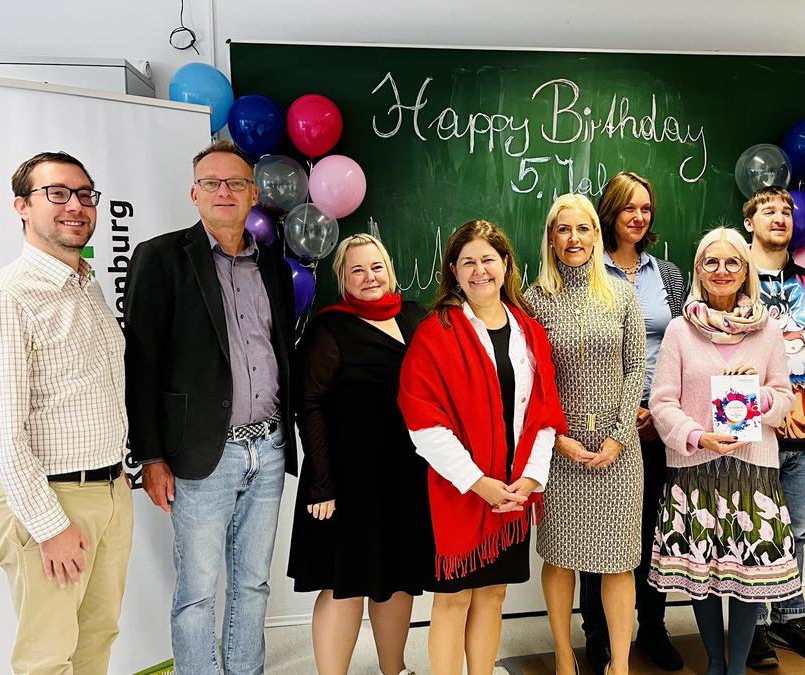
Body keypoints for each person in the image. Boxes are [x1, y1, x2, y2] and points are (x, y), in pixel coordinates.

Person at [124, 140, 297, 674]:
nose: (225, 192)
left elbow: (278, 348)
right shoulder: (159, 257)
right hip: (201, 453)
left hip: (266, 448)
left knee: (252, 582)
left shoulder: (271, 263)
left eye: (237, 183)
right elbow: (143, 363)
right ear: (194, 193)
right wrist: (150, 456)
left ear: (253, 194)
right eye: (213, 183)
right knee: (197, 591)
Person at [0, 151, 132, 675]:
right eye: (57, 193)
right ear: (21, 206)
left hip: (107, 493)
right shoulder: (6, 298)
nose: (75, 206)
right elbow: (0, 433)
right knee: (46, 658)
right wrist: (48, 525)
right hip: (51, 501)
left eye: (85, 194)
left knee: (96, 640)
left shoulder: (86, 284)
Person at [398, 219, 567, 675]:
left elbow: (544, 414)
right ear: (453, 270)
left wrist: (530, 479)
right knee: (454, 599)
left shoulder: (530, 331)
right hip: (459, 491)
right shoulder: (436, 332)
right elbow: (422, 421)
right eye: (467, 261)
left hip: (514, 489)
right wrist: (478, 482)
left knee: (493, 595)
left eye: (488, 260)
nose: (479, 270)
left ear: (506, 264)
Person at [648, 226, 798, 675]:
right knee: (704, 574)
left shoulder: (768, 331)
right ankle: (715, 662)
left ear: (745, 270)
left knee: (749, 574)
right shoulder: (679, 330)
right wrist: (698, 436)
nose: (721, 270)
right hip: (696, 469)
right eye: (711, 262)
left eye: (732, 262)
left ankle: (736, 668)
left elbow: (785, 398)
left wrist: (758, 396)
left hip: (752, 470)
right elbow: (662, 402)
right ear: (698, 270)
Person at [287, 234, 428, 675]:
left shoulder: (414, 315)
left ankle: (394, 669)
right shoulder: (329, 327)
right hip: (345, 476)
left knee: (397, 579)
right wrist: (322, 482)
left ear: (390, 270)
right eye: (358, 271)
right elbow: (308, 404)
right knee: (341, 583)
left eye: (377, 268)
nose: (370, 278)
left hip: (405, 472)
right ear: (343, 280)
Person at [525, 194, 646, 675]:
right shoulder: (534, 300)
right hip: (558, 450)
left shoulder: (620, 294)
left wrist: (617, 435)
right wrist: (556, 437)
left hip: (619, 451)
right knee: (558, 557)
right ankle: (562, 653)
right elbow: (530, 377)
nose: (573, 239)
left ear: (597, 234)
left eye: (583, 229)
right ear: (551, 239)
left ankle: (619, 664)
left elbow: (636, 368)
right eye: (563, 230)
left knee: (618, 561)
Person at [581, 170, 687, 673]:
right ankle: (597, 635)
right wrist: (623, 418)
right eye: (628, 208)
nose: (639, 217)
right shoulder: (585, 268)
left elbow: (681, 345)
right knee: (596, 531)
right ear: (610, 213)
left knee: (653, 531)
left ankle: (654, 627)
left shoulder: (667, 275)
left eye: (646, 208)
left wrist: (659, 409)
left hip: (661, 420)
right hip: (602, 424)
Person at [742, 186, 805, 667]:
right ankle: (754, 622)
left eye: (785, 211)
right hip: (750, 431)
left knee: (797, 528)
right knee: (755, 525)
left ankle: (790, 613)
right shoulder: (730, 280)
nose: (779, 218)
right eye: (767, 210)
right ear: (749, 222)